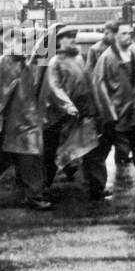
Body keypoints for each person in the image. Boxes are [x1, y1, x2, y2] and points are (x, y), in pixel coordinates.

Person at [0, 27, 51, 210]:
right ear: (8, 43)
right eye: (18, 42)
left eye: (25, 42)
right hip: (7, 123)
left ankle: (34, 195)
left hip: (26, 121)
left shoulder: (28, 65)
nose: (23, 46)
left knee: (31, 158)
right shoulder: (0, 64)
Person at [40, 23, 103, 198]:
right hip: (60, 115)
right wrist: (67, 105)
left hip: (81, 112)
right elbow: (54, 87)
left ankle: (96, 188)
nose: (72, 40)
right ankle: (43, 187)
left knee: (89, 148)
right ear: (59, 41)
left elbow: (86, 83)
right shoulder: (55, 62)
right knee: (52, 152)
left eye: (73, 36)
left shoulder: (78, 59)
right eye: (68, 37)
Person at [89, 21, 135, 196]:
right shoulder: (106, 57)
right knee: (99, 152)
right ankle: (96, 187)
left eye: (130, 33)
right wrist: (108, 113)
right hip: (114, 114)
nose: (127, 36)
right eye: (123, 33)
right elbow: (98, 85)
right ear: (115, 35)